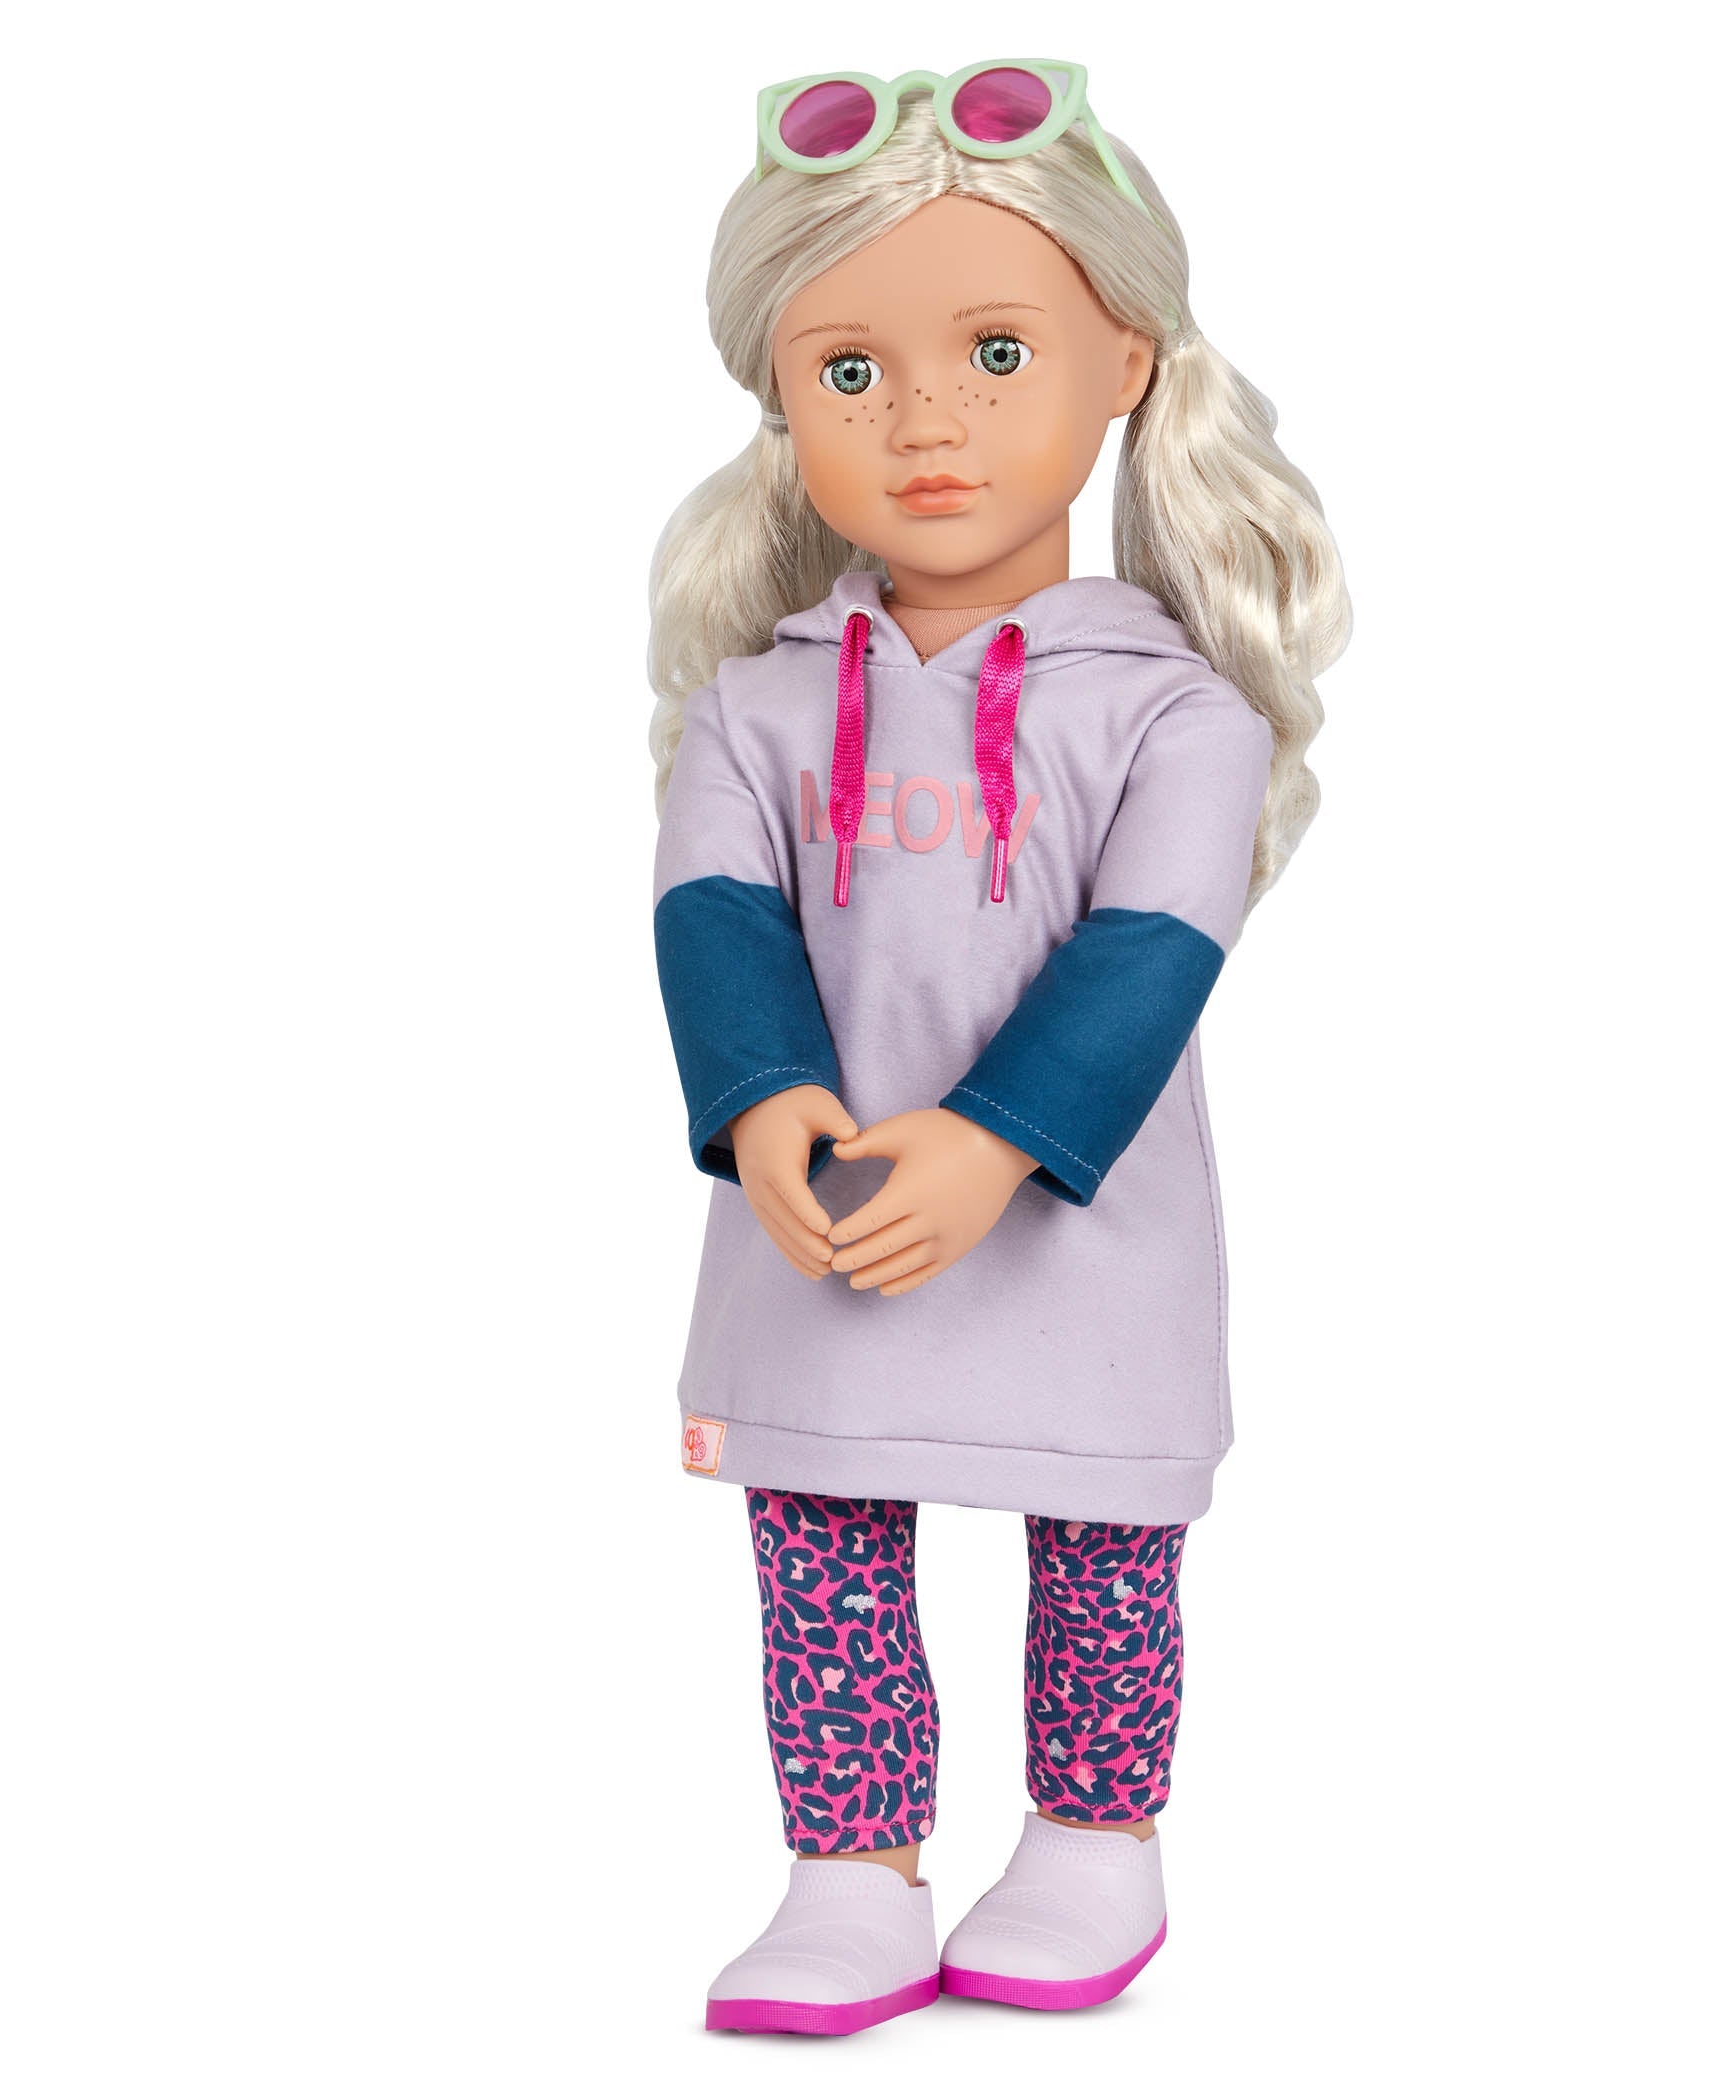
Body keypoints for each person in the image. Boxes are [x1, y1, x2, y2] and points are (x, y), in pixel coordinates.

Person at [647, 60, 1350, 2035]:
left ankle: (1095, 1843)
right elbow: (714, 919)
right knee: (822, 1539)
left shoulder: (1177, 716)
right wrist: (769, 1106)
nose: (925, 416)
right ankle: (848, 1870)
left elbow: (1154, 949)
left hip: (1079, 1232)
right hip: (825, 1219)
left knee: (1103, 1536)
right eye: (849, 370)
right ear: (782, 401)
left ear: (1123, 362)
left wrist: (990, 1140)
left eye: (995, 351)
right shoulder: (757, 709)